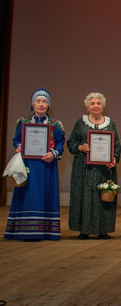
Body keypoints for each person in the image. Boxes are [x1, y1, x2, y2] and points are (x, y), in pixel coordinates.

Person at [4, 89, 65, 240]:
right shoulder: (23, 122)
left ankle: (45, 231)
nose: (41, 104)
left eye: (44, 102)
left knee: (44, 196)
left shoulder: (55, 125)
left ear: (48, 105)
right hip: (28, 166)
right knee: (28, 195)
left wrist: (53, 154)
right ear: (33, 104)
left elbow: (60, 144)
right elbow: (16, 139)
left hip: (46, 166)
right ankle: (23, 230)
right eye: (38, 101)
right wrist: (18, 146)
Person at [67, 92, 121, 239]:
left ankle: (102, 230)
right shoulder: (80, 123)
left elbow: (116, 146)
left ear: (103, 106)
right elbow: (71, 143)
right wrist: (80, 147)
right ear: (87, 106)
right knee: (84, 198)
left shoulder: (110, 124)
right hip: (83, 168)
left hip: (104, 169)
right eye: (92, 103)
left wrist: (114, 159)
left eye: (98, 103)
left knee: (103, 198)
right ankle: (84, 230)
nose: (95, 106)